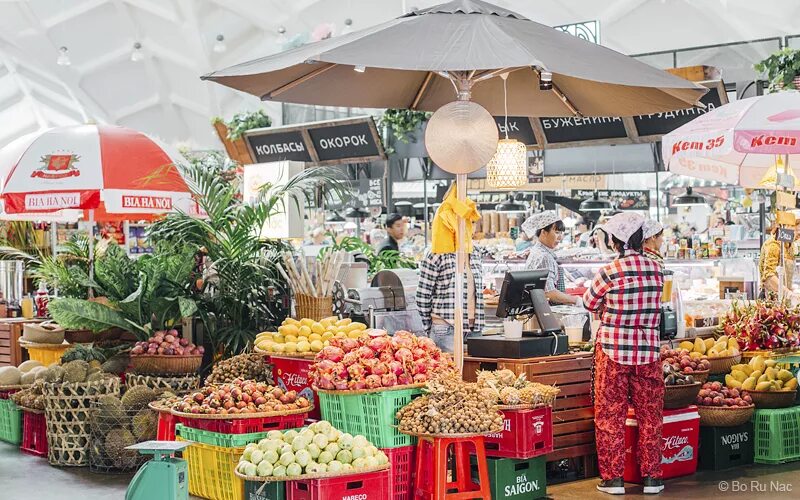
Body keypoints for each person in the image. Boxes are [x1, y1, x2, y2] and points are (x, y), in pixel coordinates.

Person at [583, 213, 665, 495]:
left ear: (616, 241)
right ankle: (652, 478)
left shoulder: (610, 271)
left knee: (610, 415)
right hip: (649, 350)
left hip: (613, 349)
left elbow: (588, 301)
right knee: (650, 416)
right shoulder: (657, 269)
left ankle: (613, 479)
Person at [416, 248, 484, 354]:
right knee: (450, 369)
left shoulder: (475, 251)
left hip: (474, 329)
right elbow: (422, 296)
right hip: (446, 329)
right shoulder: (436, 252)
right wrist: (429, 327)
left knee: (476, 370)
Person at [521, 211, 582, 306]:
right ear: (544, 232)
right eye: (557, 232)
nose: (560, 237)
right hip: (545, 313)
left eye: (561, 233)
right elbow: (550, 293)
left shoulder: (539, 251)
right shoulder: (544, 256)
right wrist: (576, 300)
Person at [759, 218, 800, 297]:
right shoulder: (773, 244)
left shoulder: (790, 246)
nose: (798, 234)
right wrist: (789, 294)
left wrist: (791, 291)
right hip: (771, 298)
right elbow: (769, 277)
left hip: (784, 298)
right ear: (786, 226)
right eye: (797, 228)